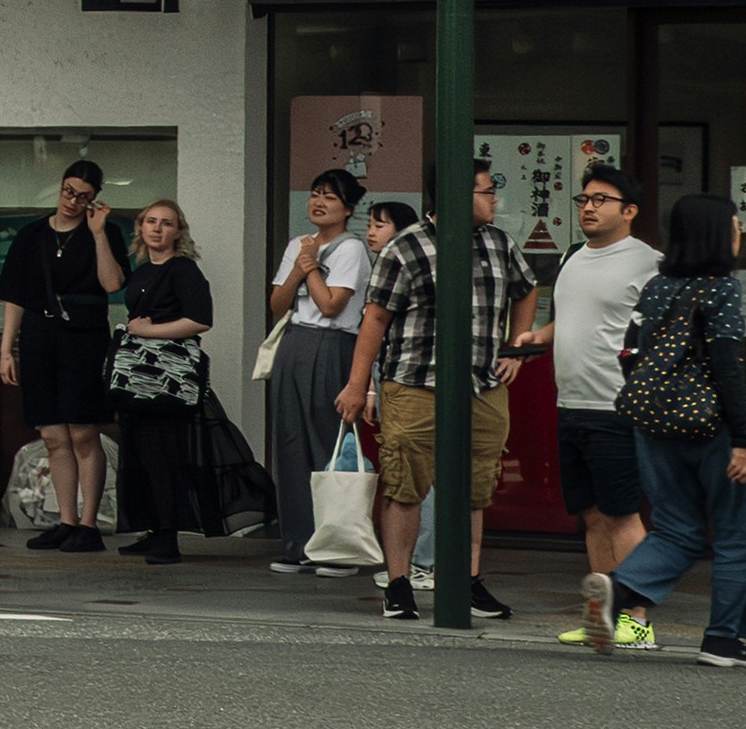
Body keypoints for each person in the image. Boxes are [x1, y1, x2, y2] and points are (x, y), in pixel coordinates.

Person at [345, 176, 531, 627]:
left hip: (482, 385)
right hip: (415, 382)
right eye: (486, 191)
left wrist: (517, 348)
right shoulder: (406, 247)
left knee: (475, 486)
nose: (494, 200)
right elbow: (375, 318)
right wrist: (358, 385)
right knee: (406, 484)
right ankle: (399, 583)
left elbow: (526, 290)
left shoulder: (499, 243)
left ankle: (466, 580)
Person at [608, 190, 746, 670]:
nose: (740, 234)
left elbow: (629, 353)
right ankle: (723, 640)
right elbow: (727, 367)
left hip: (654, 425)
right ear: (719, 235)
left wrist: (663, 405)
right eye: (736, 226)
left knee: (677, 527)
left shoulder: (657, 286)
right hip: (712, 429)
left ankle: (616, 590)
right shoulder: (721, 288)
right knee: (737, 535)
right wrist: (745, 438)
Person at [545, 162, 666, 650]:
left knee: (622, 515)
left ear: (629, 211)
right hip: (570, 402)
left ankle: (637, 619)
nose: (589, 207)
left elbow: (664, 338)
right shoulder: (572, 256)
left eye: (601, 200)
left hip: (616, 407)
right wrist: (539, 335)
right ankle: (603, 614)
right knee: (592, 515)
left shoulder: (650, 263)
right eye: (584, 199)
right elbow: (575, 318)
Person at [0, 158, 125, 550]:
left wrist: (99, 234)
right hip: (38, 333)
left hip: (84, 334)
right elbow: (15, 295)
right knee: (52, 433)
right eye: (69, 191)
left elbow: (113, 283)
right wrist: (6, 349)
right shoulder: (31, 234)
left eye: (83, 196)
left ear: (95, 199)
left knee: (84, 431)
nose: (73, 201)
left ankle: (88, 524)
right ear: (60, 187)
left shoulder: (105, 232)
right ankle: (66, 520)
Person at [258, 171, 372, 576]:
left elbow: (330, 306)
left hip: (331, 345)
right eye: (315, 193)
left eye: (329, 197)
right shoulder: (298, 245)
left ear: (349, 207)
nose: (318, 202)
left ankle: (338, 546)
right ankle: (299, 544)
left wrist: (309, 269)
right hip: (294, 342)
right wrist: (299, 266)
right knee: (290, 444)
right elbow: (277, 303)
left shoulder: (351, 249)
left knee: (327, 439)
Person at [108, 199, 225, 567]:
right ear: (141, 228)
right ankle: (154, 529)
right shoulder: (142, 271)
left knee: (164, 454)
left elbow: (200, 320)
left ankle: (169, 535)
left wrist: (150, 332)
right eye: (151, 222)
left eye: (166, 223)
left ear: (179, 232)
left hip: (167, 379)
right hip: (137, 378)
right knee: (139, 453)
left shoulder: (183, 269)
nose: (157, 229)